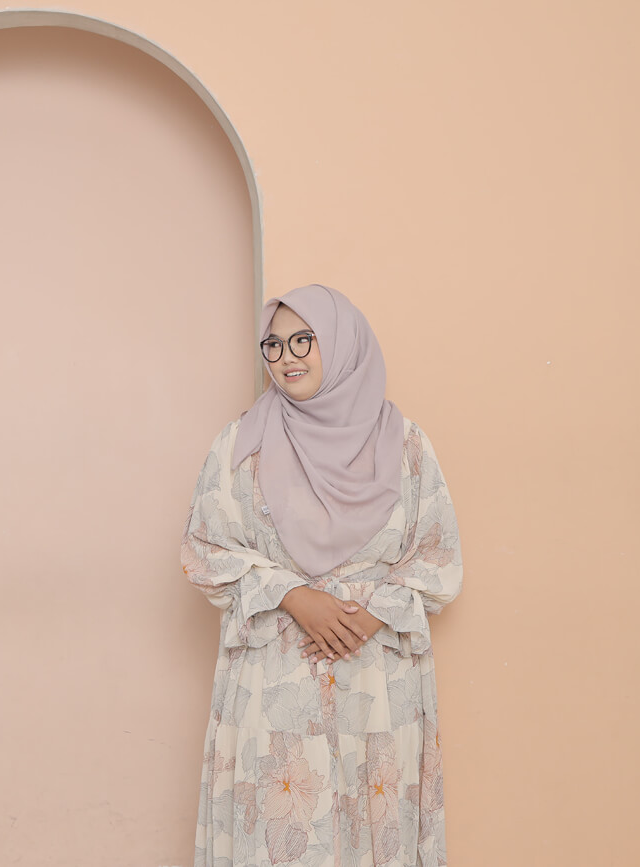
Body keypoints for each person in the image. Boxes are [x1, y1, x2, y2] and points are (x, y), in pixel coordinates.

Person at [182, 285, 461, 867]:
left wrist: (371, 615)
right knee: (281, 836)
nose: (287, 358)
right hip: (275, 680)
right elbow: (204, 551)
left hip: (376, 683)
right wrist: (291, 595)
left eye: (303, 340)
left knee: (374, 833)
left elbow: (438, 557)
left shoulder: (406, 446)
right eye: (274, 345)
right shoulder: (242, 444)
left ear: (341, 342)